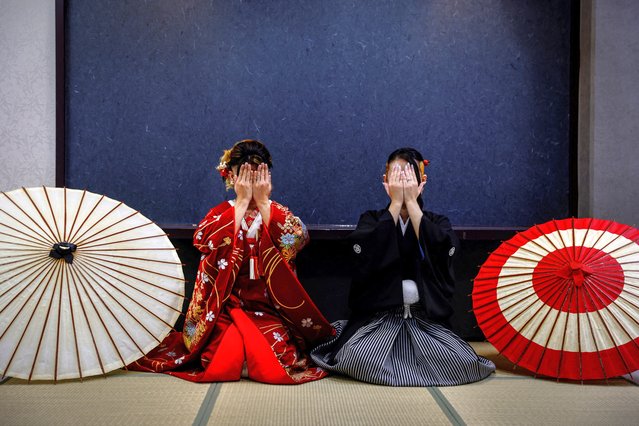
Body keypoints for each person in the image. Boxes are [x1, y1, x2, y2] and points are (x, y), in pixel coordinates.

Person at [131, 140, 333, 384]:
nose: (251, 181)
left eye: (257, 175)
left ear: (267, 176)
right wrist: (240, 202)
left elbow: (296, 240)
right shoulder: (220, 213)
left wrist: (263, 202)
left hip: (268, 308)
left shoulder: (277, 211)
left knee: (281, 358)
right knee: (217, 358)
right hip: (226, 307)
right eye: (244, 175)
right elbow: (204, 240)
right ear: (231, 177)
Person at [310, 147, 495, 386]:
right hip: (380, 319)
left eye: (409, 177)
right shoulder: (372, 219)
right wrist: (396, 204)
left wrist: (411, 203)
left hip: (424, 320)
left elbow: (443, 251)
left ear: (422, 181)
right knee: (359, 359)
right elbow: (366, 254)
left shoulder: (436, 222)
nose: (403, 182)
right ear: (385, 181)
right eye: (396, 177)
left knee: (459, 363)